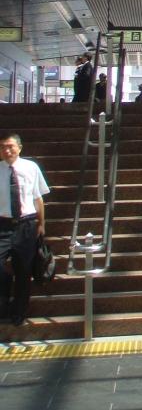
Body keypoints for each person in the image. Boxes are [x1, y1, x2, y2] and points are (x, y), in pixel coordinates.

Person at [0, 133, 50, 326]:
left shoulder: (31, 167)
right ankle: (4, 297)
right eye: (3, 147)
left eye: (10, 146)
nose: (7, 150)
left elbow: (38, 198)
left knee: (23, 270)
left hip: (26, 224)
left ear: (19, 148)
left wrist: (41, 223)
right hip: (2, 224)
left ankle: (19, 312)